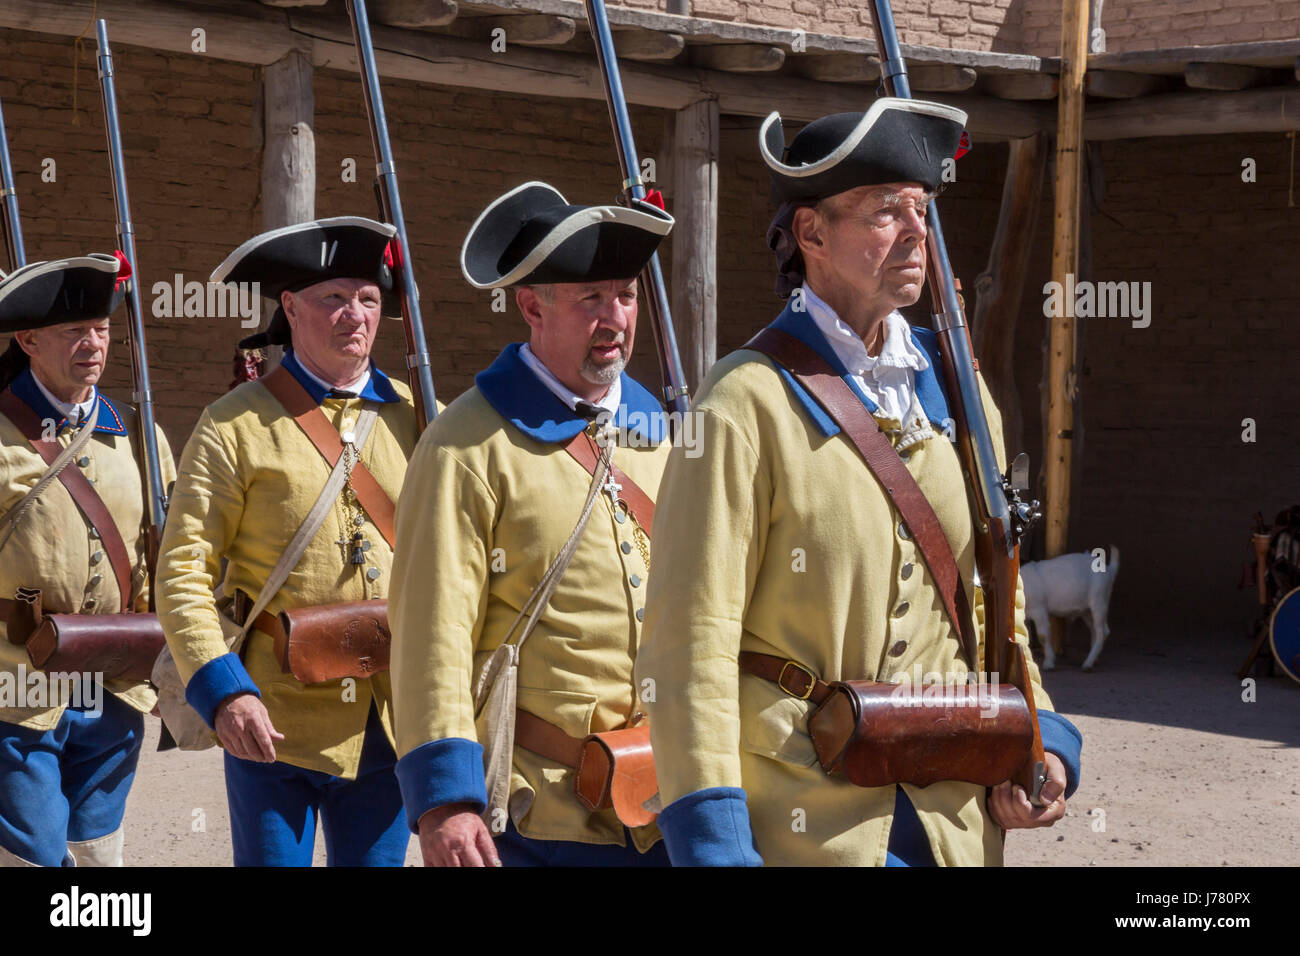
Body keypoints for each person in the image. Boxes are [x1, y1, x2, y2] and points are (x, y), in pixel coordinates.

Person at [636, 99, 1084, 866]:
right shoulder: (744, 400)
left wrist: (1039, 740)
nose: (917, 231)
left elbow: (992, 599)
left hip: (953, 815)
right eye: (885, 211)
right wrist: (713, 842)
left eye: (923, 207)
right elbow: (689, 644)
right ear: (812, 233)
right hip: (803, 819)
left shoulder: (961, 394)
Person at [389, 181, 675, 866]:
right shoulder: (465, 444)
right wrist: (446, 800)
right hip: (540, 815)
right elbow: (433, 634)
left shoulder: (662, 435)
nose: (616, 318)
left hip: (669, 804)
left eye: (627, 296)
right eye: (591, 299)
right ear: (529, 306)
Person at [155, 217, 422, 866]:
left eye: (367, 299)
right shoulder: (234, 423)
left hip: (386, 721)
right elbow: (182, 570)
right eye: (333, 298)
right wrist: (225, 689)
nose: (352, 315)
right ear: (293, 308)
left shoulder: (417, 416)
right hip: (268, 712)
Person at [0, 254, 175, 866]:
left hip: (117, 675)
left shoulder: (139, 433)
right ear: (28, 339)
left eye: (100, 328)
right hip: (16, 680)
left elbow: (168, 548)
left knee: (99, 849)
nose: (93, 343)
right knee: (33, 855)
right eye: (74, 331)